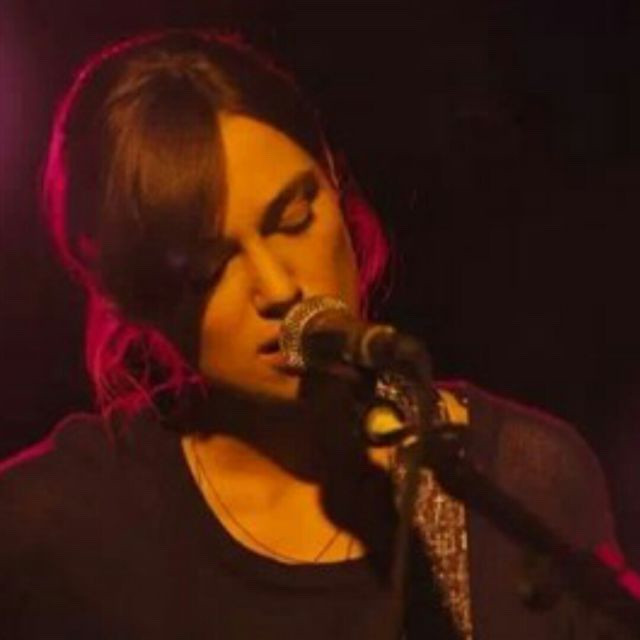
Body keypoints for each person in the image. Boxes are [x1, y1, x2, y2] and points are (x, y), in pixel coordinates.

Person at [0, 29, 633, 639]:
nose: (279, 288)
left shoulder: (520, 483)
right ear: (132, 296)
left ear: (334, 181)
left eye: (294, 219)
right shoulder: (55, 527)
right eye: (209, 268)